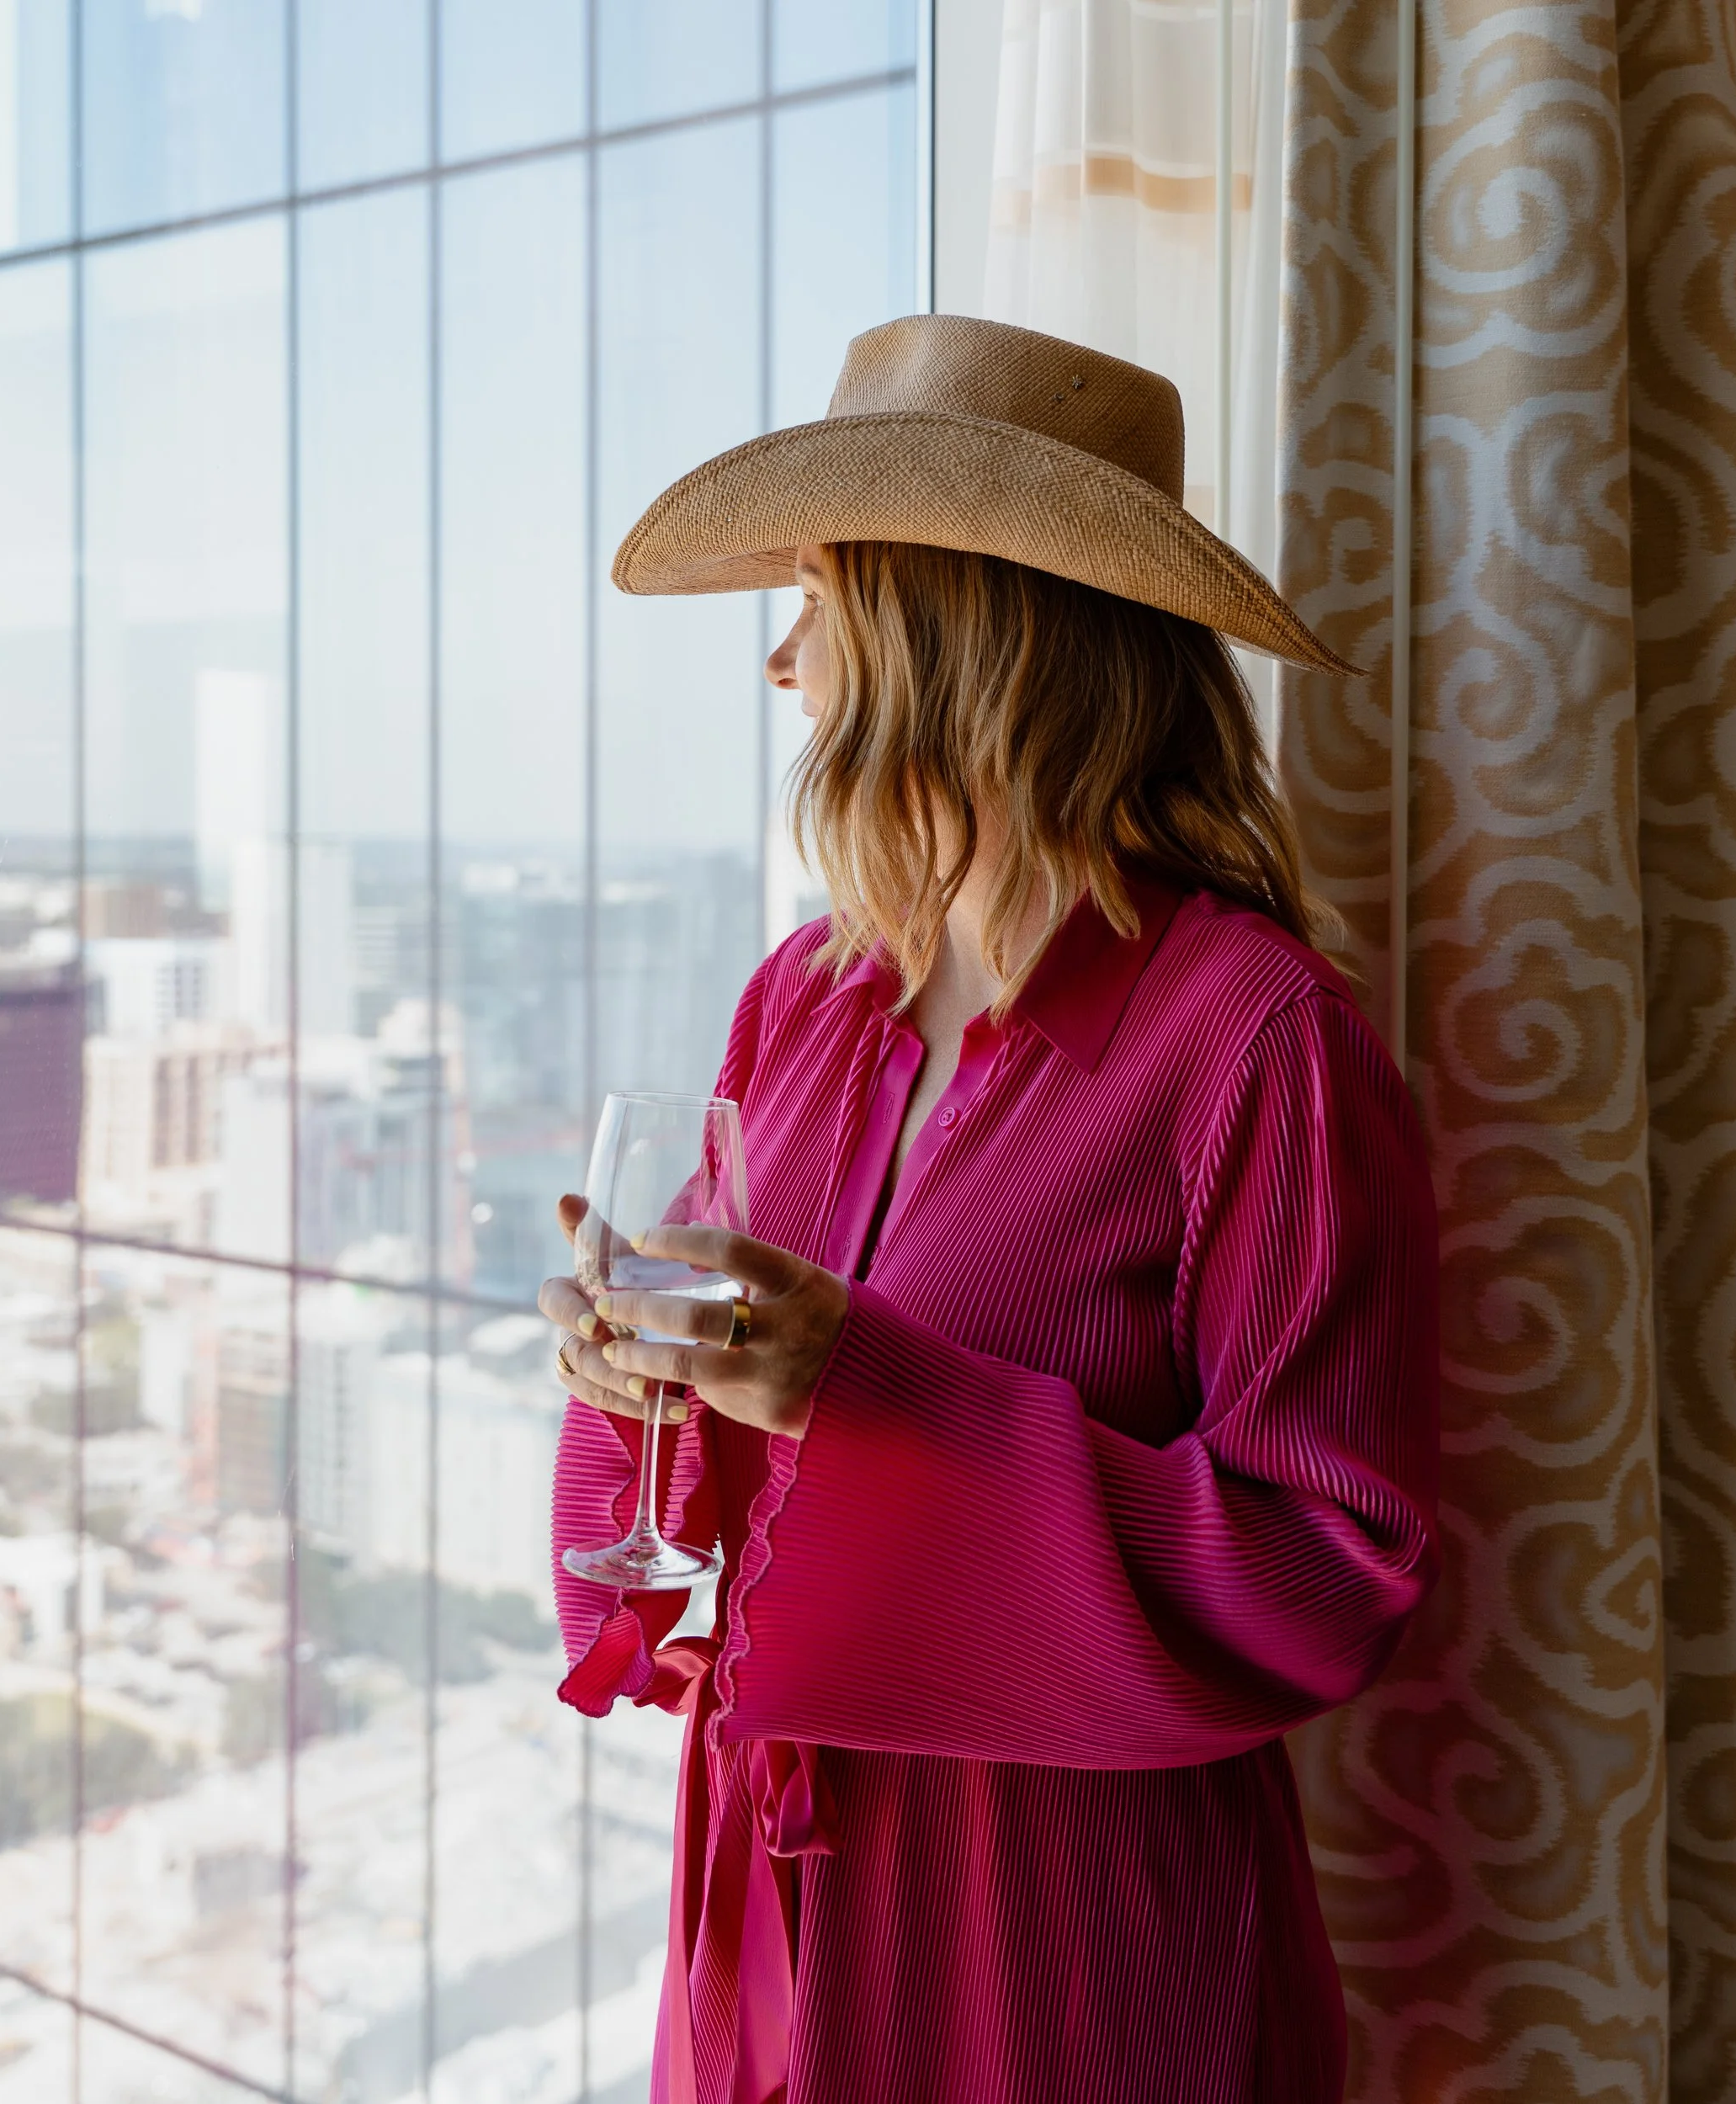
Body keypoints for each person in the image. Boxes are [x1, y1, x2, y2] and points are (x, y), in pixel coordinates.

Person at [538, 314, 1439, 2104]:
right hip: (761, 1891)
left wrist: (858, 1392)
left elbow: (1330, 1575)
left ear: (962, 628)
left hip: (1067, 1931)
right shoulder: (805, 996)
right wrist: (628, 1371)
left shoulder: (1254, 1035)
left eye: (820, 594)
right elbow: (723, 1450)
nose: (788, 661)